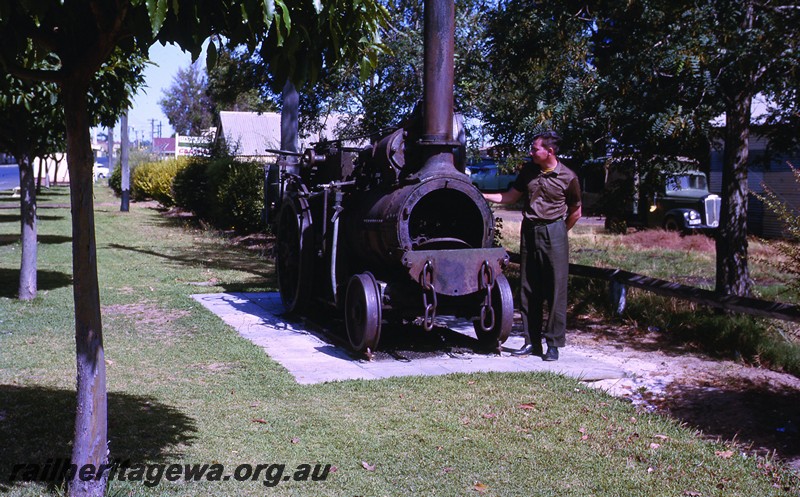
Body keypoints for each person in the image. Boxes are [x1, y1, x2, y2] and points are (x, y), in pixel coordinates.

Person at [483, 131, 582, 361]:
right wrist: (482, 194)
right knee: (529, 288)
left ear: (550, 151)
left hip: (555, 231)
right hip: (529, 231)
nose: (531, 152)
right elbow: (510, 197)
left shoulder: (568, 176)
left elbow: (576, 212)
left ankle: (553, 344)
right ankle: (531, 342)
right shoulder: (528, 172)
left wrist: (558, 232)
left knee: (556, 290)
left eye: (535, 148)